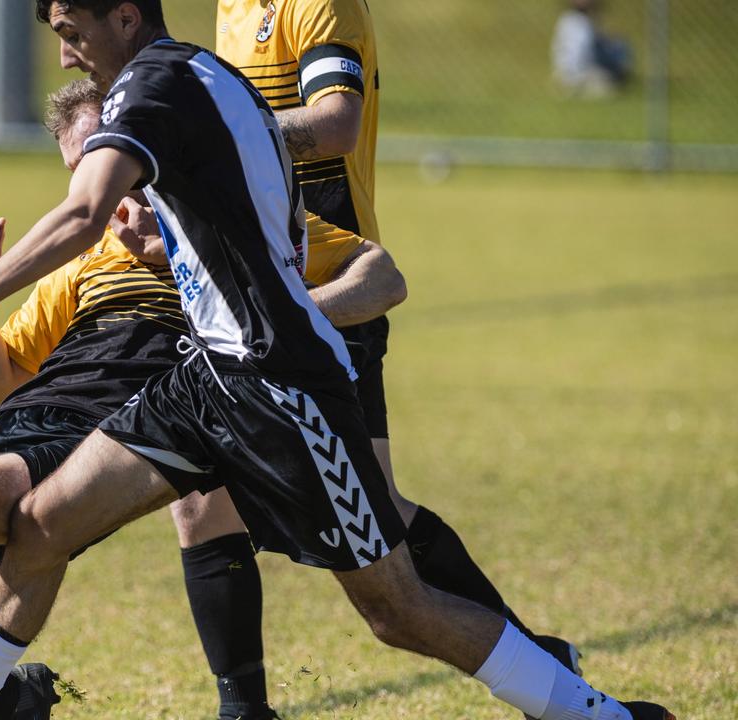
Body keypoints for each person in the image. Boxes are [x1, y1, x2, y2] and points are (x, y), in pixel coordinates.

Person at [0, 3, 675, 720]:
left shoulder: (151, 86)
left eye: (70, 31)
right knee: (40, 526)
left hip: (281, 384)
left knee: (398, 610)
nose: (65, 55)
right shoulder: (199, 69)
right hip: (204, 380)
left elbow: (84, 213)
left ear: (126, 18)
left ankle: (599, 716)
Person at [0, 78, 406, 720]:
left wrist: (274, 321)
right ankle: (15, 702)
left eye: (110, 173)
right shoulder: (87, 261)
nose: (100, 198)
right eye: (80, 177)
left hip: (120, 431)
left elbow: (382, 277)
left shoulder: (240, 230)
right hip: (27, 421)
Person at [187, 2, 587, 715]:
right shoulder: (232, 5)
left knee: (383, 529)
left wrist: (219, 134)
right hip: (247, 289)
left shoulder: (320, 4)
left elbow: (337, 122)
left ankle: (541, 668)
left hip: (331, 293)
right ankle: (242, 708)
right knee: (201, 499)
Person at [552, 0, 633, 98]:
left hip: (566, 71)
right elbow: (585, 52)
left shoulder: (567, 19)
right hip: (580, 72)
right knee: (618, 48)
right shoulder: (581, 22)